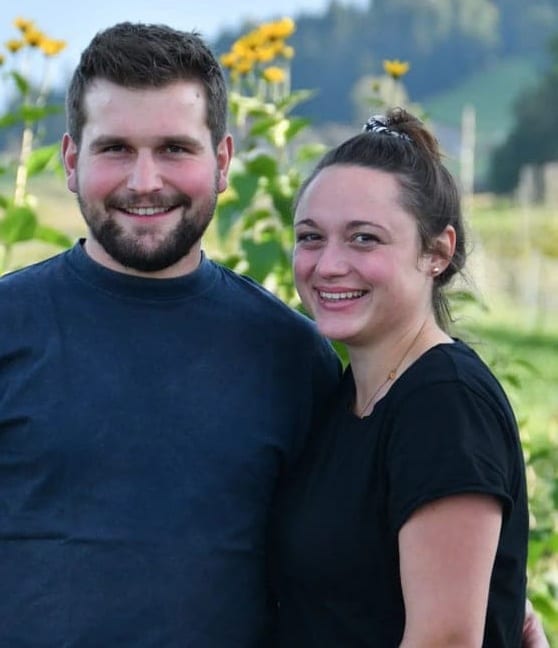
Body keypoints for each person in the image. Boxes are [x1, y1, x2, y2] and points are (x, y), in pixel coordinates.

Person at [0, 22, 340, 646]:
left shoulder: (294, 357)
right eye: (116, 149)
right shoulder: (7, 327)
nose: (145, 181)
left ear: (223, 162)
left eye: (175, 149)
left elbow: (350, 561)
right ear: (72, 161)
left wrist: (492, 607)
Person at [271, 108, 533, 647]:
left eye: (364, 239)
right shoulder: (349, 395)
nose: (328, 265)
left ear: (437, 252)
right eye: (311, 237)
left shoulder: (444, 404)